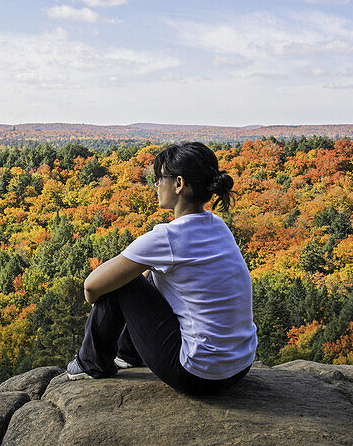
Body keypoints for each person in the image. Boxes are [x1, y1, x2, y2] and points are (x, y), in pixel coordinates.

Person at [66, 141, 258, 395]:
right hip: (239, 365)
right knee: (144, 275)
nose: (156, 185)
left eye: (159, 178)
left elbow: (92, 285)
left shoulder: (169, 237)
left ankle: (90, 363)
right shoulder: (218, 226)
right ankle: (128, 354)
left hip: (198, 375)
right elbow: (152, 278)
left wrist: (100, 302)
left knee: (121, 280)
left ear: (179, 184)